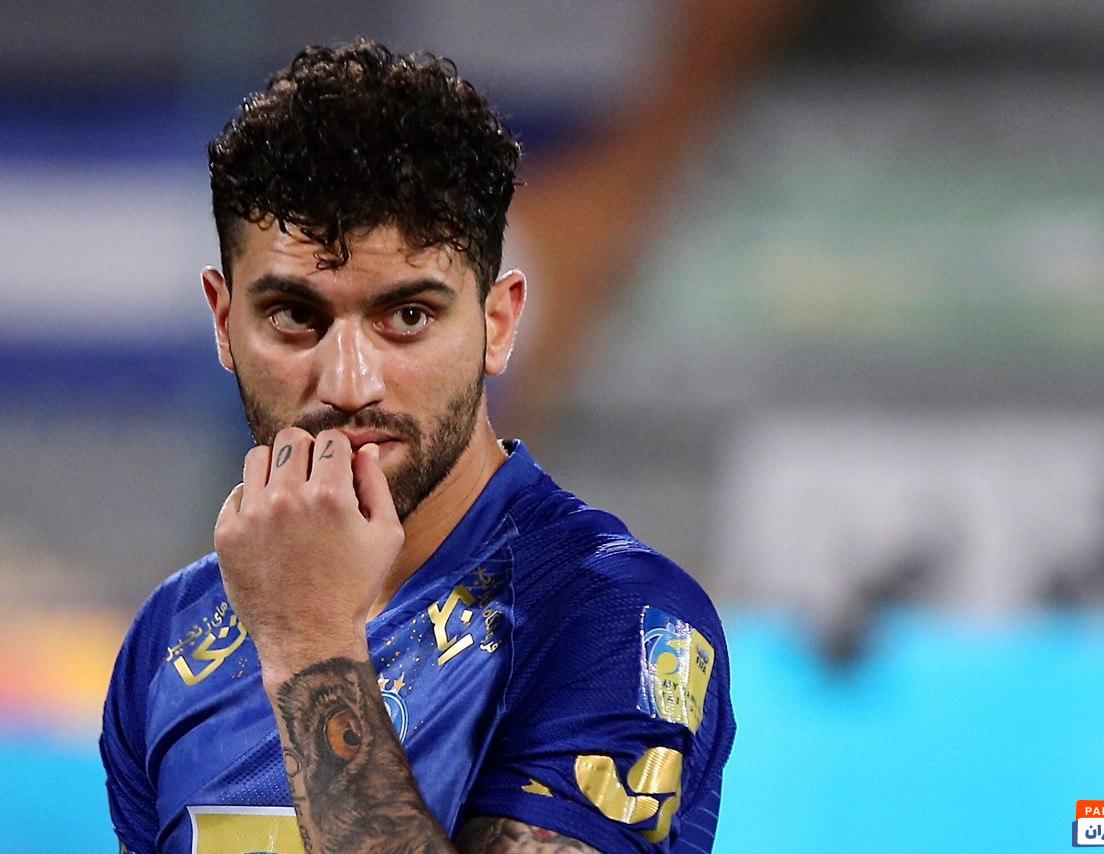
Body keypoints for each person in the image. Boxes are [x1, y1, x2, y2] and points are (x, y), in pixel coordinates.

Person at [99, 40, 734, 853]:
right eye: (294, 316)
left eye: (407, 317)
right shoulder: (171, 635)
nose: (349, 383)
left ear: (498, 323)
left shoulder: (614, 616)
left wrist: (309, 646)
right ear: (224, 322)